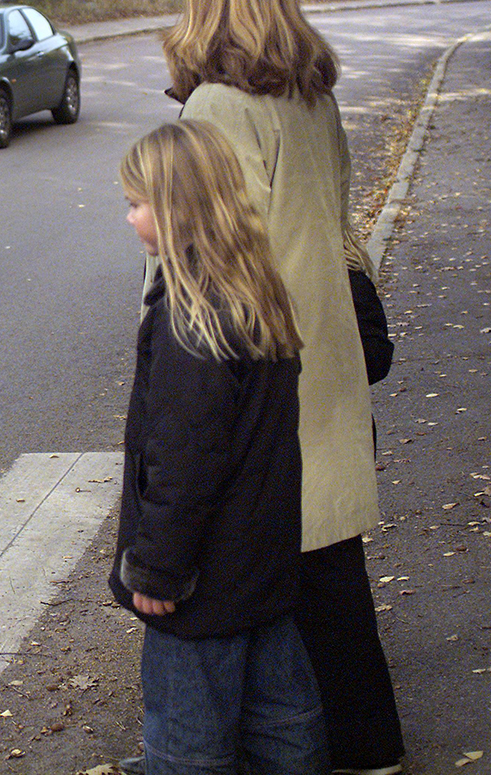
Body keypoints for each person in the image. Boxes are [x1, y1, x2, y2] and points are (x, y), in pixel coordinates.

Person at [160, 0, 405, 775]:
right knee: (329, 574)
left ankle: (245, 747)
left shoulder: (215, 109)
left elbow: (209, 263)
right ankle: (366, 748)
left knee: (248, 583)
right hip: (327, 363)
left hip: (264, 375)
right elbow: (344, 231)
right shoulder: (314, 97)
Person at [110, 119, 327, 775]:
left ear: (177, 211)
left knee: (188, 747)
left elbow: (184, 460)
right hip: (261, 564)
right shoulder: (253, 294)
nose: (129, 220)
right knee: (282, 721)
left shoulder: (189, 322)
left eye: (136, 204)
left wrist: (156, 569)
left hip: (199, 587)